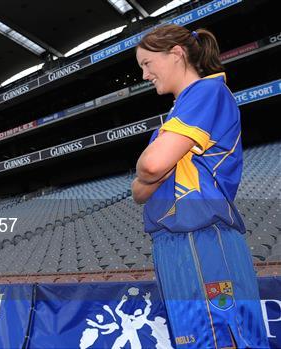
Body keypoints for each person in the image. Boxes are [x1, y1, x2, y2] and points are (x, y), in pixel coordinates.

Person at [132, 24, 269, 348]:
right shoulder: (177, 116)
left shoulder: (207, 91)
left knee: (222, 337)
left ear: (176, 54)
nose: (144, 75)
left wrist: (151, 169)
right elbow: (139, 190)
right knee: (194, 339)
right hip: (172, 239)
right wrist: (150, 171)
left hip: (201, 236)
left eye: (147, 63)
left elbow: (150, 167)